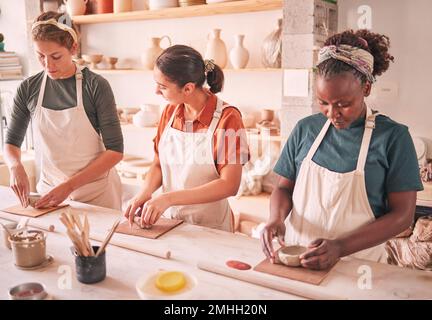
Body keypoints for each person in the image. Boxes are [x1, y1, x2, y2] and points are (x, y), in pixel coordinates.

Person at [260, 29, 423, 270]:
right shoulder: (306, 129)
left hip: (360, 266)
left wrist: (339, 247)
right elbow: (283, 188)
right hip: (298, 259)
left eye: (343, 104)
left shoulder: (393, 138)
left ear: (366, 88)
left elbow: (402, 216)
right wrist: (275, 219)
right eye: (323, 103)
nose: (332, 114)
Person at [4, 12, 123, 210]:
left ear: (73, 48)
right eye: (40, 56)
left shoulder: (95, 86)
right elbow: (11, 142)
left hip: (96, 195)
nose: (48, 65)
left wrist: (69, 186)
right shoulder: (29, 88)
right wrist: (15, 166)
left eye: (56, 56)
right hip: (50, 192)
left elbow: (115, 152)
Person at [124, 45, 249, 232]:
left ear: (188, 88)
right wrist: (144, 193)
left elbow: (229, 185)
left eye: (162, 87)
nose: (156, 92)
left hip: (211, 229)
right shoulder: (169, 112)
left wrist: (168, 198)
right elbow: (159, 164)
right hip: (170, 221)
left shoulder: (228, 118)